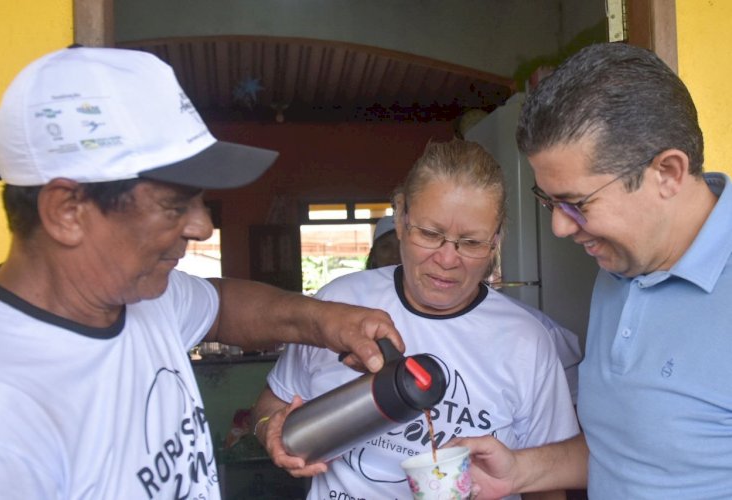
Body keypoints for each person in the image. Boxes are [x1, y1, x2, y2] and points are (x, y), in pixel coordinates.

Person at [0, 46, 405, 499]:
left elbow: (221, 304)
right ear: (67, 211)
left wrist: (328, 321)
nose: (202, 226)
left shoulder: (145, 298)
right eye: (174, 204)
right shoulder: (1, 419)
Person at [451, 42, 732, 499]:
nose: (560, 227)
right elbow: (626, 453)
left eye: (577, 204)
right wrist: (518, 471)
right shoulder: (620, 268)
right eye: (549, 203)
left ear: (667, 173)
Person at [252, 139, 579, 500]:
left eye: (470, 242)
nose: (447, 259)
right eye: (430, 234)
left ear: (496, 239)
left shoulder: (526, 340)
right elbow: (273, 403)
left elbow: (547, 484)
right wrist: (270, 429)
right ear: (401, 215)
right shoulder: (339, 304)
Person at [367, 215, 582, 403]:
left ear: (491, 248)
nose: (447, 259)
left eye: (470, 242)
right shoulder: (350, 305)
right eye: (386, 248)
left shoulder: (533, 331)